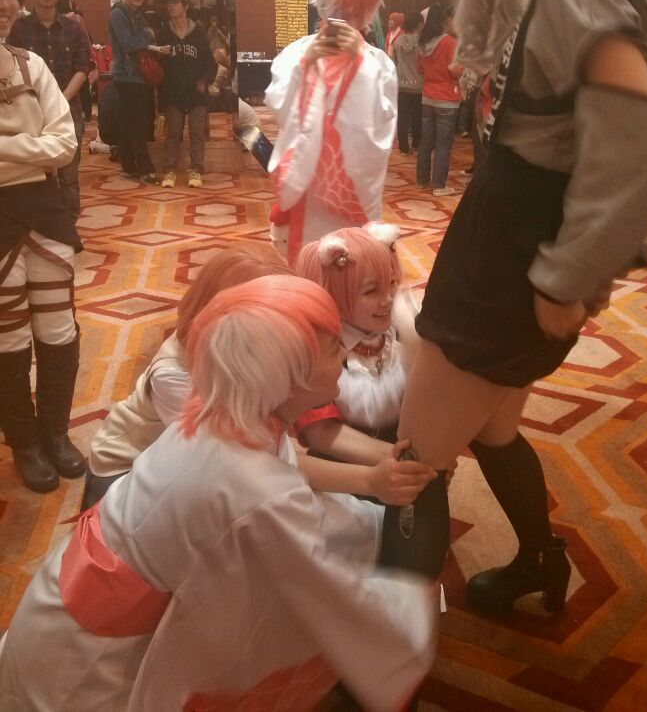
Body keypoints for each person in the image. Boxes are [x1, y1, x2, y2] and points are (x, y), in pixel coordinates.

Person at [393, 0, 647, 616]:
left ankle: (382, 662)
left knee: (410, 462)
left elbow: (642, 145)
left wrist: (566, 277)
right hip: (518, 240)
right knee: (492, 431)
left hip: (509, 262)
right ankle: (540, 564)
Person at [0, 276, 436, 711]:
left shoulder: (224, 415)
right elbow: (328, 593)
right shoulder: (256, 486)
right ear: (290, 377)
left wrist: (369, 492)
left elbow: (286, 491)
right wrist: (415, 608)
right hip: (87, 660)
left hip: (59, 608)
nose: (344, 354)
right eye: (332, 347)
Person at [83, 243, 289, 510]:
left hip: (187, 463)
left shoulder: (240, 348)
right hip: (123, 469)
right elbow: (234, 457)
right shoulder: (174, 375)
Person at [0, 0, 85, 494]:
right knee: (7, 340)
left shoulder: (31, 65)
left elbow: (65, 145)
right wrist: (31, 150)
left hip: (45, 215)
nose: (3, 4)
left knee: (58, 329)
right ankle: (24, 442)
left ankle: (55, 432)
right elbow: (46, 147)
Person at [266, 0, 397, 263]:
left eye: (356, 11)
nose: (346, 17)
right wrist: (306, 67)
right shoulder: (298, 53)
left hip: (350, 190)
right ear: (324, 3)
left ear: (367, 14)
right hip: (306, 186)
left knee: (352, 264)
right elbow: (279, 107)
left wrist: (360, 66)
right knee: (306, 263)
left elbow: (382, 130)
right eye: (339, 7)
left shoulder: (378, 65)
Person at [293, 224, 438, 507]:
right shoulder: (318, 348)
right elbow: (320, 433)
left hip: (402, 454)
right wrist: (411, 461)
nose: (388, 299)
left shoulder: (398, 327)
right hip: (343, 471)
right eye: (372, 291)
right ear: (334, 295)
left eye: (392, 283)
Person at [9, 0, 92, 221]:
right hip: (29, 113)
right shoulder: (17, 28)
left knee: (69, 174)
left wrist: (59, 100)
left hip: (70, 109)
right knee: (35, 173)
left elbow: (83, 67)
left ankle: (68, 226)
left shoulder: (74, 28)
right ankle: (40, 225)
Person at [108, 0, 169, 185]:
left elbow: (145, 39)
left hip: (139, 75)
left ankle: (128, 165)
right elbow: (129, 43)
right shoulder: (118, 15)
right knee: (139, 123)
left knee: (128, 121)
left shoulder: (137, 15)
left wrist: (147, 39)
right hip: (127, 75)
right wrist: (148, 38)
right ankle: (145, 168)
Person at [156, 0, 215, 189]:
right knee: (173, 132)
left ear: (185, 6)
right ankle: (170, 170)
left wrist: (204, 81)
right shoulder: (164, 34)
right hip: (172, 92)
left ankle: (196, 169)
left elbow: (210, 63)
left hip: (196, 94)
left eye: (175, 2)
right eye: (168, 3)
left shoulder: (198, 33)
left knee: (197, 132)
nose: (171, 6)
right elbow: (157, 65)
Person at [416, 3, 463, 197]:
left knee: (426, 141)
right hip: (446, 100)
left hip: (427, 98)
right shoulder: (450, 42)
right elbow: (456, 71)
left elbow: (420, 70)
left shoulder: (422, 43)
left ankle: (421, 180)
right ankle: (438, 185)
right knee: (443, 144)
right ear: (444, 19)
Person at [393, 11, 424, 154]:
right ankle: (416, 143)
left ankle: (403, 148)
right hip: (418, 86)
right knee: (417, 117)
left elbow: (395, 62)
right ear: (419, 25)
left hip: (401, 85)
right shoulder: (422, 44)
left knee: (402, 118)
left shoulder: (398, 42)